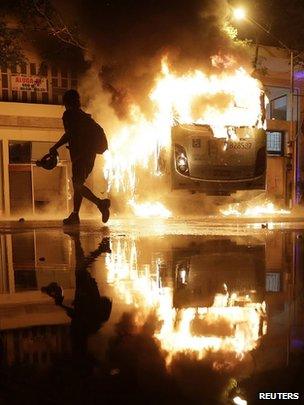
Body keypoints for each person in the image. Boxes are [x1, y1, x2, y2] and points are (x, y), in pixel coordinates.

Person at [50, 89, 110, 225]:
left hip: (80, 156)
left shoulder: (69, 114)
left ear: (67, 103)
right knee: (79, 184)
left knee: (77, 184)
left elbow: (69, 134)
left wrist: (55, 147)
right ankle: (75, 214)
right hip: (90, 156)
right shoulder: (84, 116)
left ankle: (101, 204)